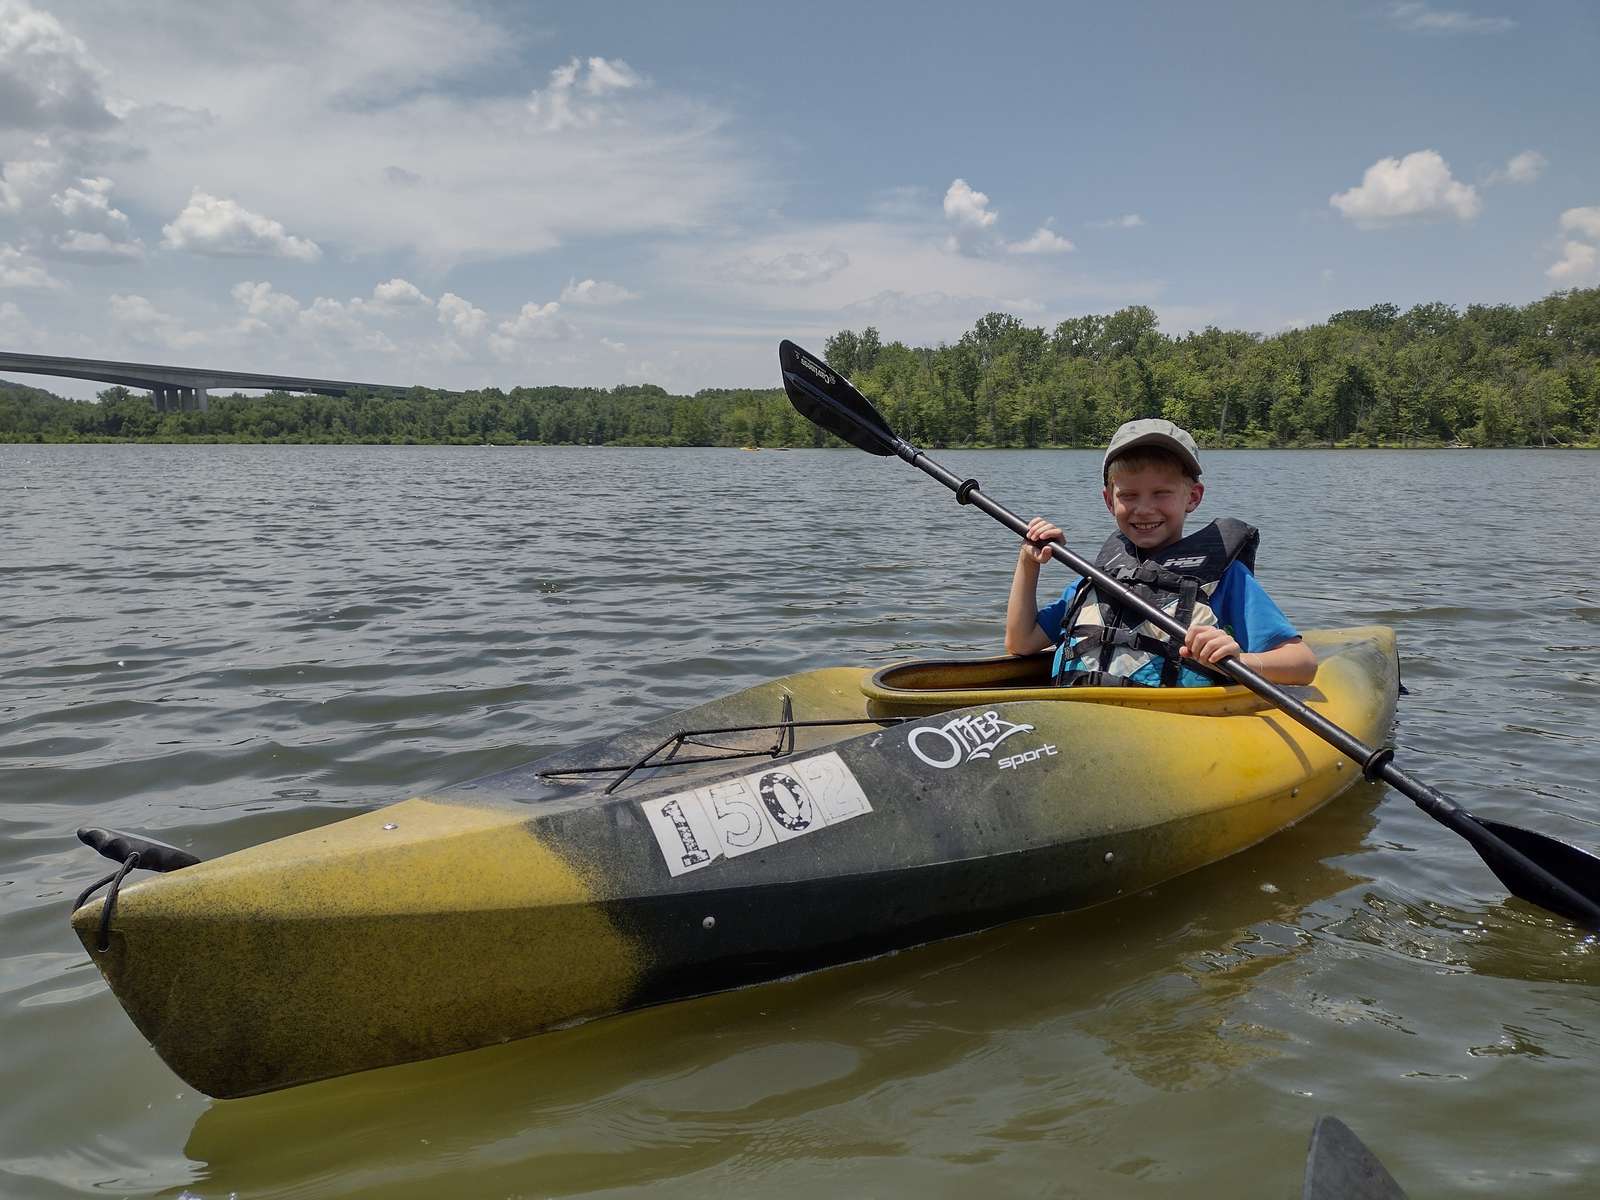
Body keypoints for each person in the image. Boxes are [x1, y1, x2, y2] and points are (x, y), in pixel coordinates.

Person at [1004, 418, 1317, 687]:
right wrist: (1028, 563)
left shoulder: (1226, 578)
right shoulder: (1098, 578)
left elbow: (1302, 664)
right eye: (1128, 495)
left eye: (1161, 493)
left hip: (1172, 725)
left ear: (1192, 497)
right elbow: (1021, 641)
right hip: (1081, 712)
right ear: (1109, 501)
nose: (1144, 509)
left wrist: (1240, 660)